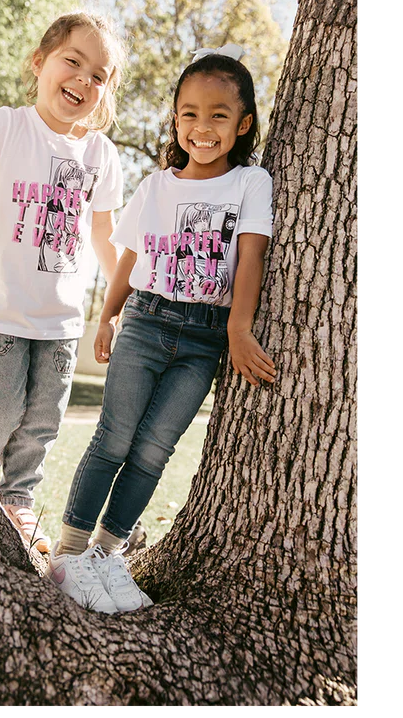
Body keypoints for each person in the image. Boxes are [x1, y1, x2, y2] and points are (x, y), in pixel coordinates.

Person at [46, 44, 277, 613]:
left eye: (219, 115)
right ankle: (68, 554)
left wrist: (239, 331)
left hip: (205, 337)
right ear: (175, 118)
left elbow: (250, 259)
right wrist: (108, 314)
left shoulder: (250, 183)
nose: (202, 127)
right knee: (115, 437)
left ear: (243, 124)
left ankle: (105, 555)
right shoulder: (155, 185)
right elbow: (129, 256)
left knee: (154, 449)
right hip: (147, 320)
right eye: (190, 113)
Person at [0, 12, 126, 553]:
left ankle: (17, 501)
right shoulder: (8, 126)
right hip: (0, 309)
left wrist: (116, 306)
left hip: (61, 319)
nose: (84, 80)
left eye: (99, 75)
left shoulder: (101, 155)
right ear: (40, 63)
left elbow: (104, 235)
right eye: (73, 61)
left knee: (43, 419)